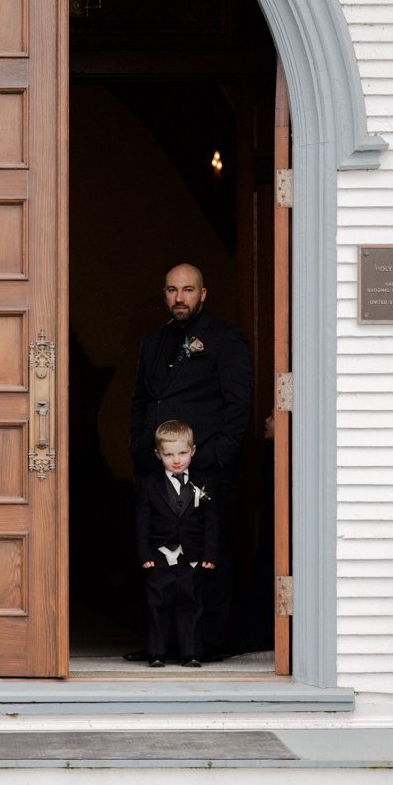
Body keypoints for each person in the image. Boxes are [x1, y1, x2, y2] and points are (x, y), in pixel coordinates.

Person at [128, 263, 252, 658]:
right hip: (156, 466)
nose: (179, 298)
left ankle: (208, 644)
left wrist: (216, 457)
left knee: (207, 556)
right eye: (171, 290)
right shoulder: (153, 342)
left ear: (203, 294)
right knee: (157, 556)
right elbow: (142, 400)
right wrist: (138, 446)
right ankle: (160, 646)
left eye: (187, 290)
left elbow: (239, 405)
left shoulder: (225, 339)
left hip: (203, 465)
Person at [135, 420, 219, 668]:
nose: (176, 460)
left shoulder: (203, 483)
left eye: (182, 453)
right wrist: (144, 554)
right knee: (158, 604)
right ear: (157, 454)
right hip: (160, 555)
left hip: (192, 555)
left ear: (193, 450)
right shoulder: (149, 485)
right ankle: (157, 652)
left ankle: (190, 652)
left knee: (191, 604)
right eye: (168, 454)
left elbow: (212, 521)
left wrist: (210, 554)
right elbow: (142, 522)